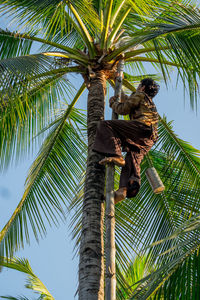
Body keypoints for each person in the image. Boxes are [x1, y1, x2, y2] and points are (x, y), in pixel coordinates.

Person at [93, 78, 160, 204]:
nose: (138, 87)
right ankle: (124, 189)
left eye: (139, 85)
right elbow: (127, 99)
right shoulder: (150, 104)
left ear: (143, 87)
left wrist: (113, 103)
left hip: (141, 128)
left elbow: (123, 109)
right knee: (133, 159)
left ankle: (116, 155)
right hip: (149, 139)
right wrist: (114, 79)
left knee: (106, 125)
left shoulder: (140, 95)